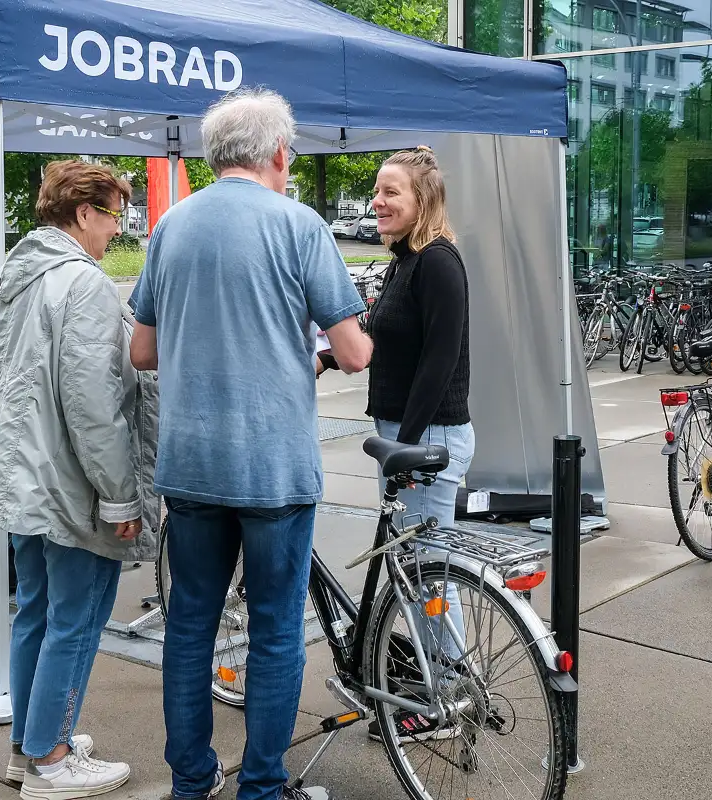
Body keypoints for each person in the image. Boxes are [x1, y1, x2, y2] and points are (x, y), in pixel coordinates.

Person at [129, 87, 372, 800]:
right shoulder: (300, 226)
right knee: (274, 631)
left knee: (189, 626)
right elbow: (354, 352)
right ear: (279, 154)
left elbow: (142, 351)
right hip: (273, 467)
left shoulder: (171, 226)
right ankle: (262, 786)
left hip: (191, 464)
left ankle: (191, 782)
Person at [0, 160, 160, 800]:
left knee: (37, 614)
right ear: (83, 213)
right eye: (113, 216)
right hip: (70, 481)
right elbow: (93, 403)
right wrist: (121, 496)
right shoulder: (83, 282)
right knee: (75, 619)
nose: (117, 229)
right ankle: (50, 760)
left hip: (20, 477)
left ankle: (31, 745)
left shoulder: (12, 274)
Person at [363, 147, 474, 742]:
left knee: (430, 576)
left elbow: (440, 359)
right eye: (377, 191)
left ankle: (449, 698)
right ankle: (438, 683)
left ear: (422, 199)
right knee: (416, 573)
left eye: (391, 192)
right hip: (407, 435)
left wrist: (405, 445)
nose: (378, 202)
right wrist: (327, 357)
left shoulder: (437, 262)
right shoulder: (405, 260)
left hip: (427, 437)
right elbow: (389, 340)